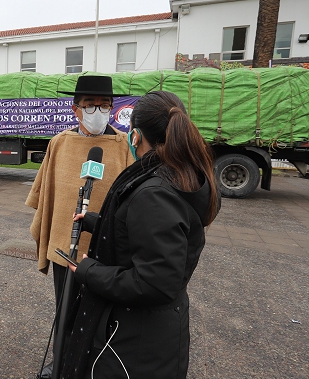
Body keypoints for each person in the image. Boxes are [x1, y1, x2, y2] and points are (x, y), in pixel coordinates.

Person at [62, 91, 220, 379]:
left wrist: (90, 271)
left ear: (135, 136)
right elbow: (146, 232)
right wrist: (100, 223)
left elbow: (156, 283)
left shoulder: (155, 193)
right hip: (150, 335)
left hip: (134, 343)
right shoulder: (178, 174)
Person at [26, 76, 133, 377]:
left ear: (113, 108)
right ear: (76, 110)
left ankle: (95, 363)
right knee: (66, 309)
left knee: (103, 312)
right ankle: (61, 358)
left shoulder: (124, 145)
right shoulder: (59, 143)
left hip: (105, 248)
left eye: (104, 105)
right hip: (65, 244)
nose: (97, 111)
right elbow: (46, 192)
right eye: (90, 105)